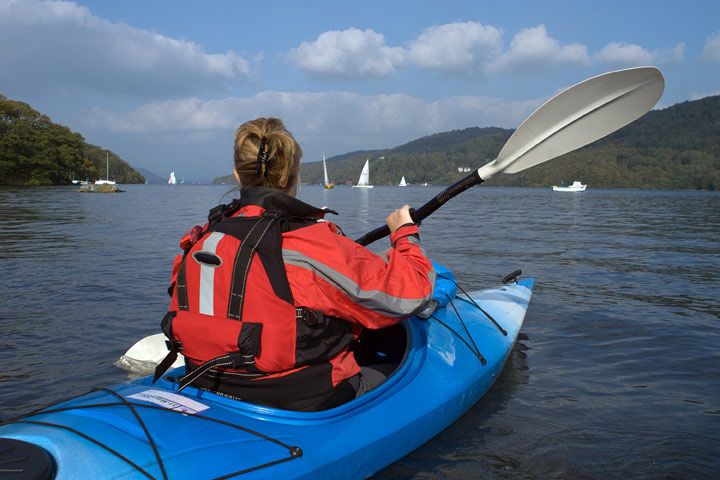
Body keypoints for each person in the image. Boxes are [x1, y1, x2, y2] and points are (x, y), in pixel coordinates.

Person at [156, 117, 435, 411]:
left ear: (237, 174)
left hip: (206, 380)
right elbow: (411, 295)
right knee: (396, 351)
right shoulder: (313, 243)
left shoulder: (202, 238)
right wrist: (404, 234)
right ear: (294, 174)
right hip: (299, 399)